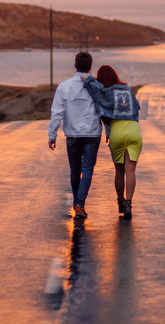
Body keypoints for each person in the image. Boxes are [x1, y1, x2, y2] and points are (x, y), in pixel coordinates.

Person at [48, 52, 103, 219]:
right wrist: (108, 130)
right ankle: (80, 204)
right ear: (91, 66)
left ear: (75, 65)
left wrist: (52, 134)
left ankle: (77, 202)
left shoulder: (64, 86)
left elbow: (57, 112)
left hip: (72, 133)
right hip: (92, 133)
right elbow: (104, 110)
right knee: (87, 169)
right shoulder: (98, 87)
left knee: (74, 169)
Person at [84, 65, 142, 220]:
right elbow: (136, 109)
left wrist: (86, 78)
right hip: (133, 129)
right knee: (131, 171)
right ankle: (129, 203)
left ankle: (120, 202)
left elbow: (96, 94)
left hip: (117, 131)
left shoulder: (104, 91)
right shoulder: (127, 89)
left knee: (119, 171)